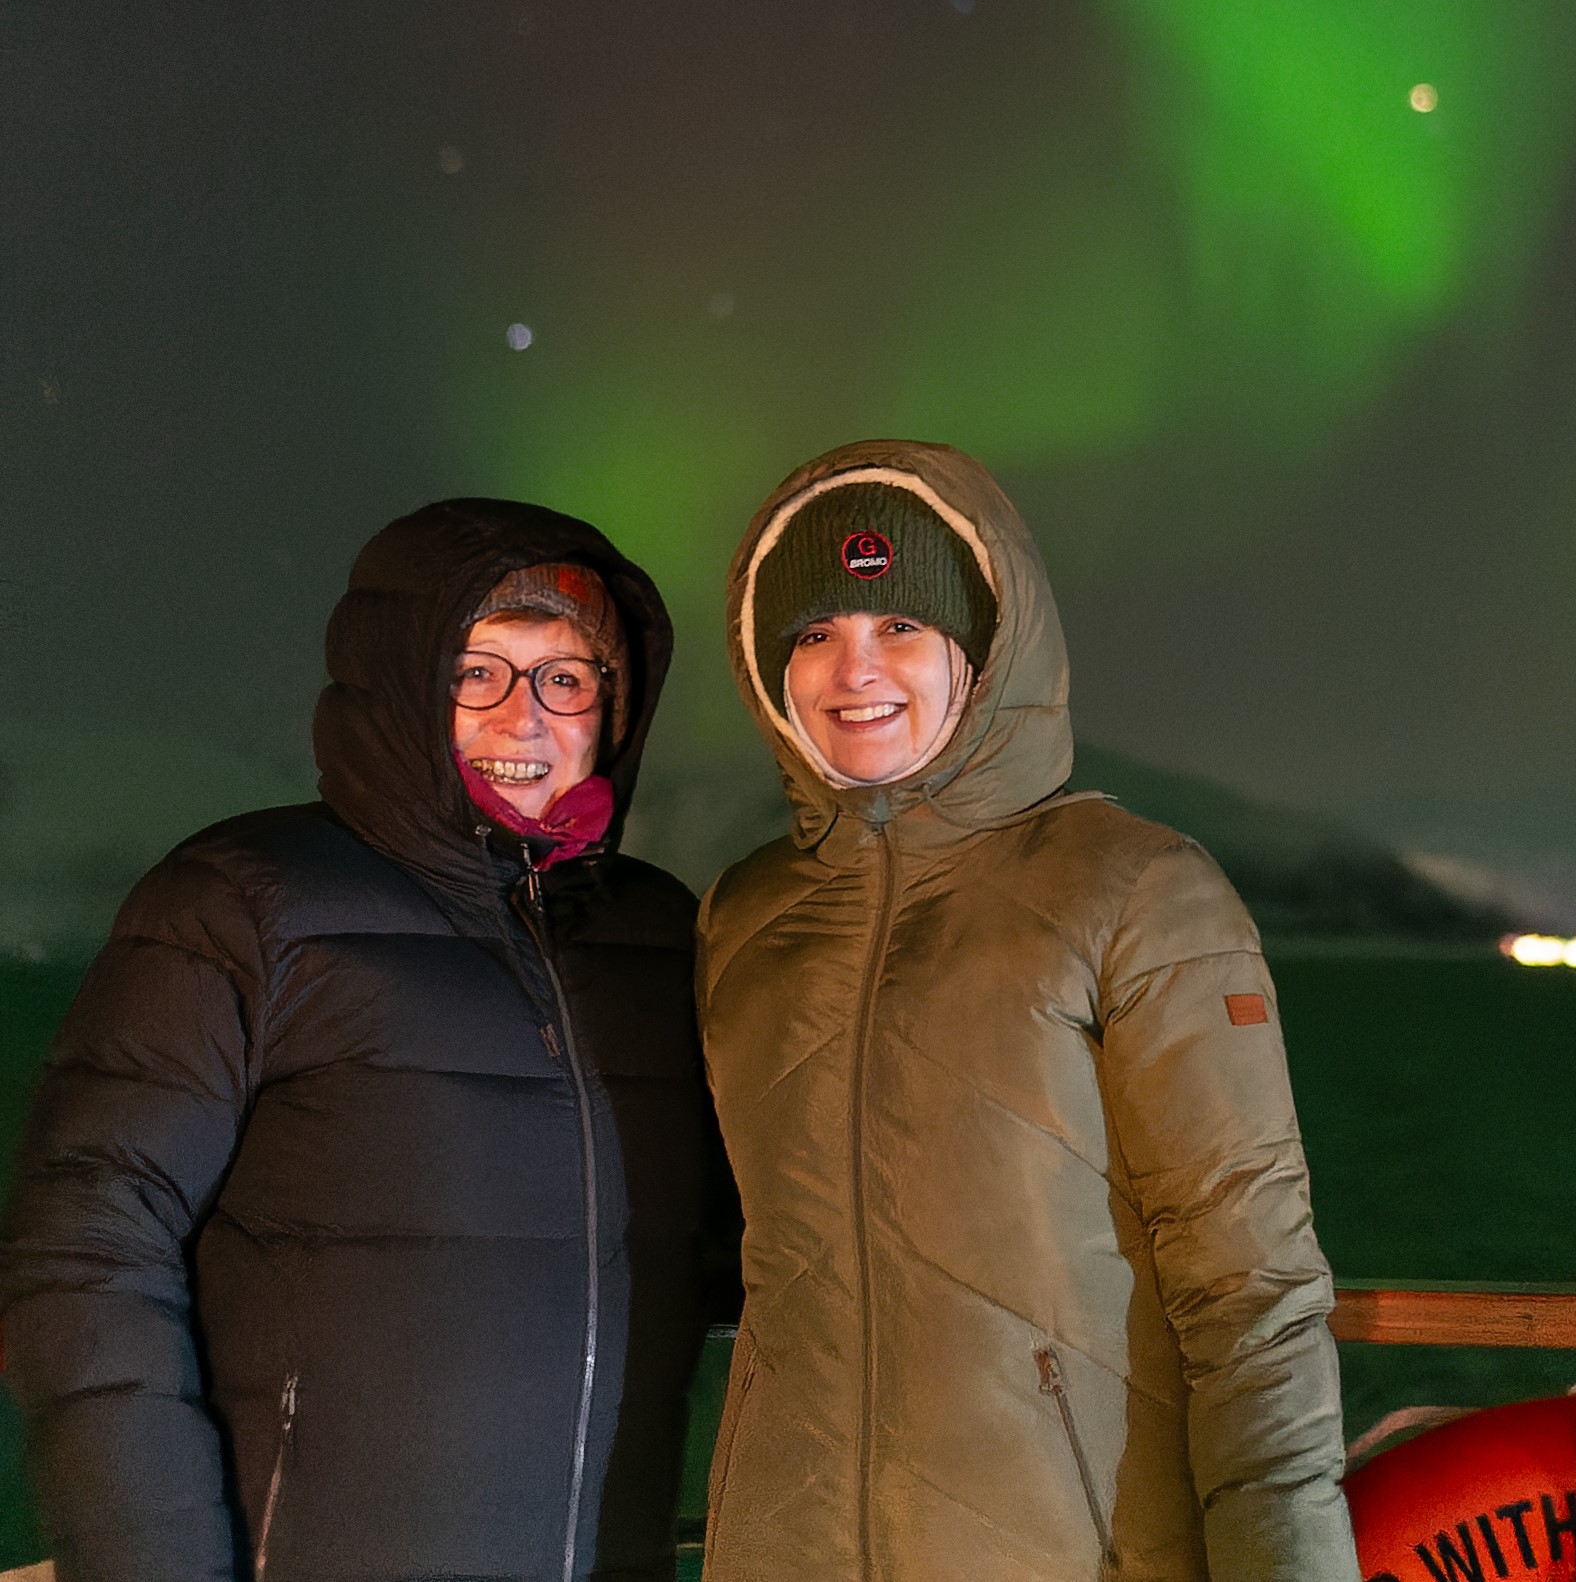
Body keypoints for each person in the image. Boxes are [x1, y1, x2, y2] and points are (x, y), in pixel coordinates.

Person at [0, 497, 732, 1582]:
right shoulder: (247, 904)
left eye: (566, 676)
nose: (523, 716)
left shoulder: (662, 935)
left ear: (613, 712)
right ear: (399, 688)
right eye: (475, 670)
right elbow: (86, 1248)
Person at [697, 441, 1361, 1581]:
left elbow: (1250, 1294)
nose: (855, 668)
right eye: (814, 633)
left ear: (987, 647)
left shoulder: (1136, 888)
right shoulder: (742, 917)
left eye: (899, 624)